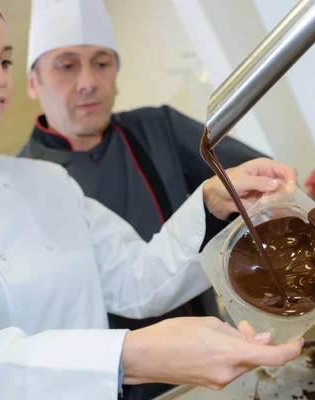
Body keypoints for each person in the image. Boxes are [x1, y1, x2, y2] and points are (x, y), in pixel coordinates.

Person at [0, 1, 302, 399]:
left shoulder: (49, 182)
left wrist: (208, 200)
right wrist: (127, 355)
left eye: (4, 60)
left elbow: (138, 280)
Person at [19, 0, 267, 368]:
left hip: (213, 349)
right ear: (32, 82)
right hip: (114, 381)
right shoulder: (24, 185)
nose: (88, 82)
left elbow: (252, 182)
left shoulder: (157, 127)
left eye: (102, 63)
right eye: (67, 66)